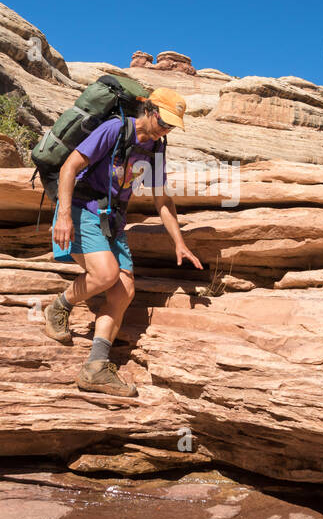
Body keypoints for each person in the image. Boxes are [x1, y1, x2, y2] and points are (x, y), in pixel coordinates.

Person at [43, 88, 203, 397]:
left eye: (171, 127)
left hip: (112, 221)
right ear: (149, 110)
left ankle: (95, 367)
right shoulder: (114, 128)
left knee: (125, 290)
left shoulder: (156, 149)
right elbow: (69, 168)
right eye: (164, 122)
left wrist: (179, 243)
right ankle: (58, 307)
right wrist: (63, 215)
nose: (165, 130)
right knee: (105, 275)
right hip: (82, 211)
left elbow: (163, 200)